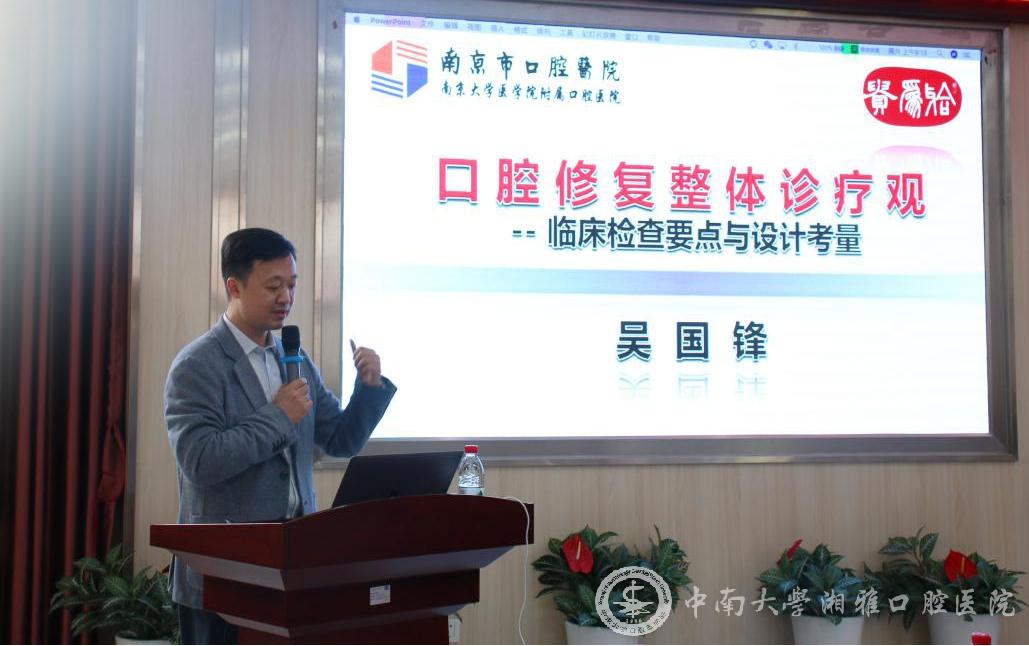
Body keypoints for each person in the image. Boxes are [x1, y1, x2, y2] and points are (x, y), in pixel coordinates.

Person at [164, 228, 396, 644]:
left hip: (294, 564)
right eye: (273, 286)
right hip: (222, 574)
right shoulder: (197, 365)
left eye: (291, 285)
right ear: (234, 287)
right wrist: (278, 416)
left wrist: (369, 389)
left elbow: (340, 439)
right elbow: (200, 461)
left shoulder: (294, 357)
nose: (286, 298)